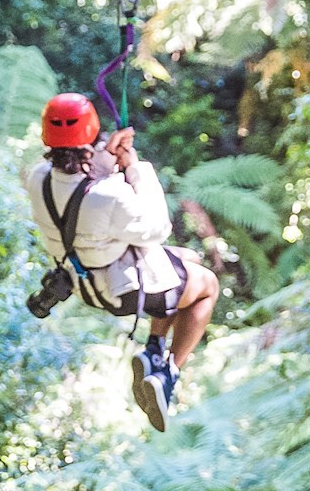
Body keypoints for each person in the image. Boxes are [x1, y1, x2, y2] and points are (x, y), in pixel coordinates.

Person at [24, 91, 219, 431]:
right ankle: (169, 371)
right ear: (90, 134)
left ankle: (154, 350)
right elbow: (158, 226)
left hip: (85, 284)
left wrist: (105, 155)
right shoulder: (109, 196)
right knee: (206, 287)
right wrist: (134, 167)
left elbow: (74, 185)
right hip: (125, 290)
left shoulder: (37, 178)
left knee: (185, 260)